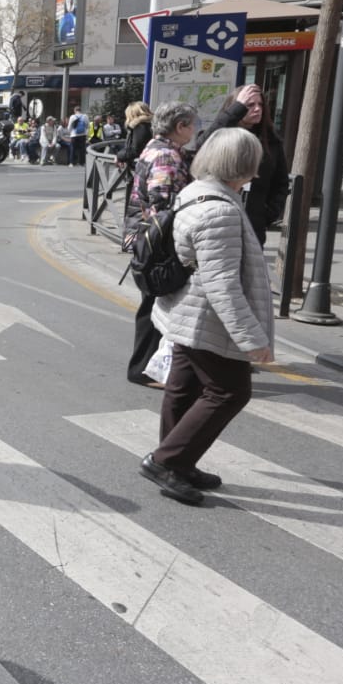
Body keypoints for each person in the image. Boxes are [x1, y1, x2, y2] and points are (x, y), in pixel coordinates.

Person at [141, 127, 274, 506]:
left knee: (183, 387)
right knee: (230, 391)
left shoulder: (195, 192)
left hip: (186, 311)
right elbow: (222, 286)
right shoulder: (220, 211)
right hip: (206, 319)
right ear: (244, 164)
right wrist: (252, 339)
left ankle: (178, 462)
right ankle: (167, 460)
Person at [126, 102, 198, 387]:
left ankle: (150, 367)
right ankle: (145, 369)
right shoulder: (167, 155)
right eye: (192, 124)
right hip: (158, 242)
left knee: (155, 302)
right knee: (156, 303)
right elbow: (163, 204)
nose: (195, 130)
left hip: (148, 237)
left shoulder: (157, 148)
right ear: (180, 126)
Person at [196, 85, 290, 246]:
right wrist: (237, 108)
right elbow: (203, 144)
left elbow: (281, 182)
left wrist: (268, 213)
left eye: (260, 104)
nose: (257, 109)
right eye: (250, 105)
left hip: (254, 223)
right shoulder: (221, 135)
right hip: (218, 219)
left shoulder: (271, 141)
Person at [117, 101, 153, 172]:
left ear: (132, 115)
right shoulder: (149, 125)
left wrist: (119, 156)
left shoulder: (140, 127)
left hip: (143, 168)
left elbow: (136, 150)